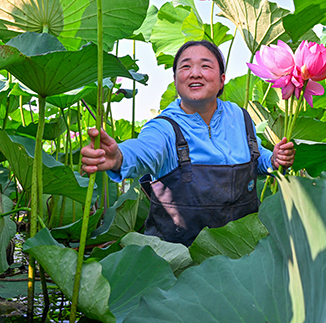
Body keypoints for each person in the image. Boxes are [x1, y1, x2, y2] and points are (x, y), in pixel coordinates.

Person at [80, 40, 296, 246]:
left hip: (242, 255)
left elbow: (256, 158)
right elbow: (144, 150)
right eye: (185, 66)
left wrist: (274, 160)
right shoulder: (164, 127)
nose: (195, 73)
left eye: (205, 65)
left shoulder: (240, 117)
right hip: (182, 264)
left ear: (222, 79)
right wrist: (119, 157)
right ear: (175, 80)